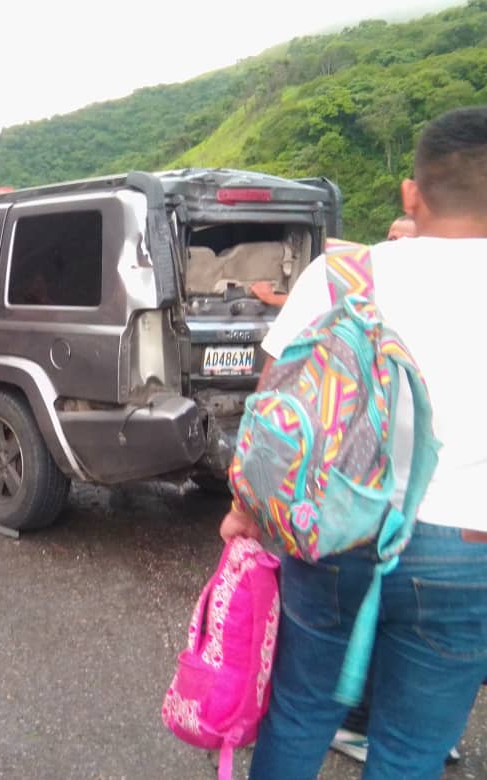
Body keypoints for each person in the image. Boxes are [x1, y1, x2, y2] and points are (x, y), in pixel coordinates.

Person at [220, 105, 487, 779]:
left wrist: (246, 511)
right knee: (409, 751)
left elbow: (274, 412)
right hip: (469, 551)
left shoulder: (342, 278)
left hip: (334, 531)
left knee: (302, 710)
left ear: (411, 192)